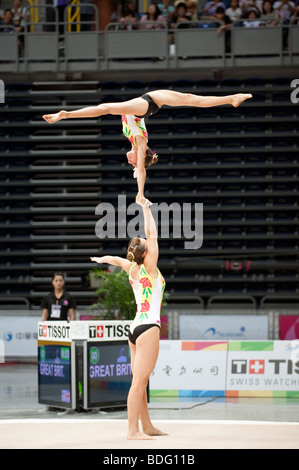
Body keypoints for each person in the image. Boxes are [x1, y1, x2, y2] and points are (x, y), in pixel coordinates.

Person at [42, 89, 252, 206]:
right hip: (146, 104)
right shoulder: (140, 143)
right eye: (132, 162)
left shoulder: (132, 141)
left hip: (148, 105)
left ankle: (232, 98)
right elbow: (141, 169)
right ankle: (65, 114)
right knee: (105, 109)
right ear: (140, 157)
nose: (129, 162)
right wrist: (140, 193)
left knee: (191, 99)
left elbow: (140, 167)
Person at [90, 201, 166, 440]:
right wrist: (146, 208)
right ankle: (133, 431)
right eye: (145, 243)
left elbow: (116, 258)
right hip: (148, 327)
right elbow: (152, 234)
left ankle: (147, 425)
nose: (145, 239)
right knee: (139, 383)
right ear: (146, 253)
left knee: (139, 381)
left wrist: (102, 259)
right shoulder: (150, 268)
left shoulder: (132, 268)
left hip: (135, 327)